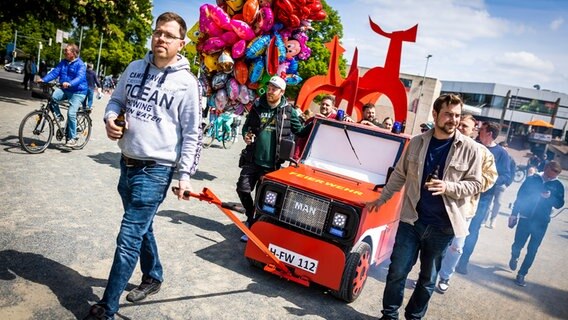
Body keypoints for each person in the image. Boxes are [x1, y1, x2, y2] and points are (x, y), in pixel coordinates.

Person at [83, 12, 202, 320]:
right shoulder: (135, 68)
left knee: (128, 237)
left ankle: (106, 309)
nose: (161, 38)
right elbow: (116, 102)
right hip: (125, 163)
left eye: (169, 35)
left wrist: (184, 176)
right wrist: (111, 120)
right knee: (141, 226)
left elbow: (191, 134)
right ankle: (154, 275)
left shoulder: (187, 84)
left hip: (156, 170)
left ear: (182, 43)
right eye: (158, 32)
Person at [365, 94, 483, 320]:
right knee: (397, 272)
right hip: (412, 221)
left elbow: (477, 184)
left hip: (442, 227)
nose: (453, 119)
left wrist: (449, 187)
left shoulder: (471, 148)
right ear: (435, 114)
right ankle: (389, 316)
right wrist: (381, 199)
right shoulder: (417, 142)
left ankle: (414, 317)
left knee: (428, 279)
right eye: (448, 114)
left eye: (457, 115)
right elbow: (400, 174)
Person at [237, 75, 304, 242]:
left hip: (273, 164)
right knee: (242, 189)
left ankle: (253, 226)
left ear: (282, 92)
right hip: (253, 158)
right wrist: (246, 136)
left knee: (263, 198)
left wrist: (319, 121)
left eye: (274, 89)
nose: (270, 91)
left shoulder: (288, 111)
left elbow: (301, 131)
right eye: (269, 88)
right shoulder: (258, 106)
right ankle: (250, 218)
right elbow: (247, 127)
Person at [436, 114, 497, 293]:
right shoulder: (443, 144)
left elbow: (491, 177)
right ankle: (427, 276)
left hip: (464, 208)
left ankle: (445, 276)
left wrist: (469, 185)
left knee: (456, 247)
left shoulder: (483, 152)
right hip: (439, 204)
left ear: (473, 130)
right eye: (459, 124)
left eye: (466, 126)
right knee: (434, 245)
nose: (461, 127)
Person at [455, 121, 512, 274]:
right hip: (464, 194)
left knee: (472, 231)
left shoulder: (501, 153)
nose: (478, 132)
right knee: (455, 225)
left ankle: (463, 262)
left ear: (490, 134)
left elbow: (506, 176)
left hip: (483, 199)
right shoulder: (472, 145)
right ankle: (449, 258)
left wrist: (488, 181)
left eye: (482, 130)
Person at [508, 161, 564, 287]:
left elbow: (560, 203)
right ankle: (514, 256)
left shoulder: (558, 185)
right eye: (550, 175)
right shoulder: (532, 179)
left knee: (532, 250)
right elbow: (520, 197)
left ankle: (522, 274)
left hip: (541, 223)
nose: (551, 178)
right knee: (517, 244)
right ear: (546, 169)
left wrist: (550, 197)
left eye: (554, 176)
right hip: (525, 218)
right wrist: (513, 214)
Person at [37, 44, 88, 147]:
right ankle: (59, 116)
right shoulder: (63, 63)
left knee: (71, 113)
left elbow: (80, 78)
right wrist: (43, 80)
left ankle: (72, 138)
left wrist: (70, 83)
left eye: (66, 51)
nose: (64, 52)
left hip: (78, 92)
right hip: (65, 89)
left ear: (73, 53)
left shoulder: (80, 64)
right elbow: (54, 73)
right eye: (64, 50)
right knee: (52, 98)